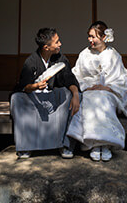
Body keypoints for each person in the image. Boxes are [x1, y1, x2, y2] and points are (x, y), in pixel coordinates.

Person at [11, 27, 81, 158]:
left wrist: (76, 95)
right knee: (17, 99)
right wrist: (35, 86)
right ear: (46, 47)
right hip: (34, 99)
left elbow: (69, 79)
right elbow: (24, 86)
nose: (60, 44)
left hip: (53, 98)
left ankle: (65, 145)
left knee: (70, 95)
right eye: (57, 42)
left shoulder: (60, 59)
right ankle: (26, 146)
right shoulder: (31, 62)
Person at [66, 21, 127, 162]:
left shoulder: (113, 55)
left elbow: (121, 78)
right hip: (88, 90)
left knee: (102, 99)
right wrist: (86, 86)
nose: (90, 40)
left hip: (109, 92)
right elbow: (76, 75)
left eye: (93, 37)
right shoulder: (84, 54)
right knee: (90, 99)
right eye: (89, 36)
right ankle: (95, 144)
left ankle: (105, 144)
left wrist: (108, 88)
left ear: (103, 37)